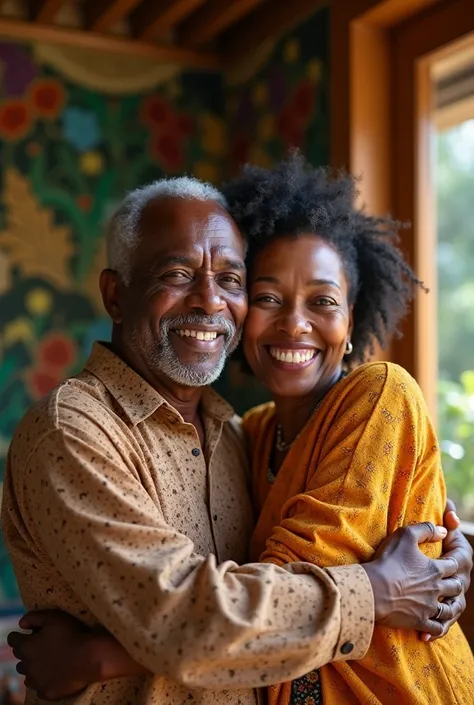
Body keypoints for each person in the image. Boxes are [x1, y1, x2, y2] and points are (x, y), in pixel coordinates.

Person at [2, 175, 471, 704]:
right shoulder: (77, 431)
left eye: (229, 279)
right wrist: (379, 589)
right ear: (116, 294)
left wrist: (98, 655)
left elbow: (285, 585)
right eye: (177, 273)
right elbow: (181, 618)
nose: (208, 301)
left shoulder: (233, 433)